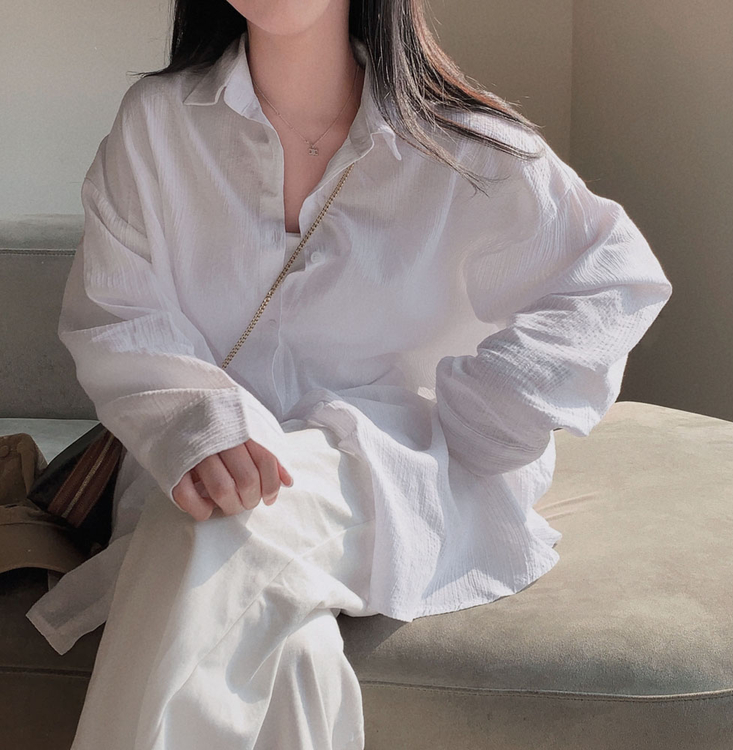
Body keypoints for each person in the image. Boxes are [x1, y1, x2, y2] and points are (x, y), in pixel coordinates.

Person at [26, 0, 674, 747]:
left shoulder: (457, 144)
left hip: (385, 474)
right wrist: (196, 423)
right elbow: (119, 311)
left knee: (227, 531)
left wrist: (489, 413)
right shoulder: (158, 124)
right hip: (197, 472)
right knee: (287, 653)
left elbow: (613, 277)